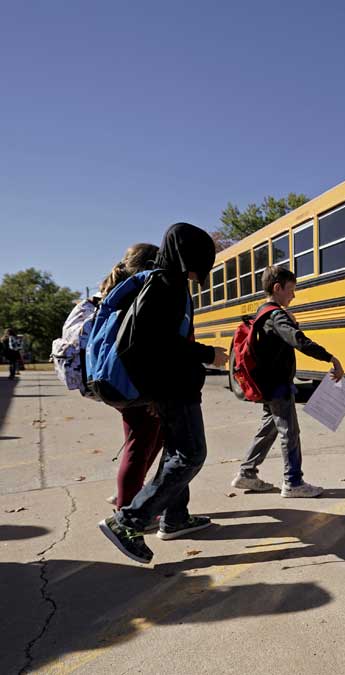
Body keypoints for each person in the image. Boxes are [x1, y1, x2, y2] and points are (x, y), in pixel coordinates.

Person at [97, 223, 227, 565]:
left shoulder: (172, 284)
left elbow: (162, 340)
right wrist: (206, 354)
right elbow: (143, 344)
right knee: (190, 455)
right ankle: (127, 521)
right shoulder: (164, 285)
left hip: (176, 386)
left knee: (175, 454)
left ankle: (175, 518)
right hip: (174, 389)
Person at [231, 265, 344, 497]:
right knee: (289, 432)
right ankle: (293, 481)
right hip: (277, 386)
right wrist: (330, 357)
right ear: (277, 288)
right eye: (291, 289)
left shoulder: (262, 312)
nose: (293, 294)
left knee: (269, 429)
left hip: (267, 384)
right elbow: (297, 340)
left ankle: (247, 473)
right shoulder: (276, 314)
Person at [97, 244, 165, 519]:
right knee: (140, 444)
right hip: (136, 383)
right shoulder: (140, 295)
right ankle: (127, 513)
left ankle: (130, 494)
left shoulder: (121, 293)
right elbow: (144, 349)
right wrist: (153, 392)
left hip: (118, 381)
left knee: (151, 439)